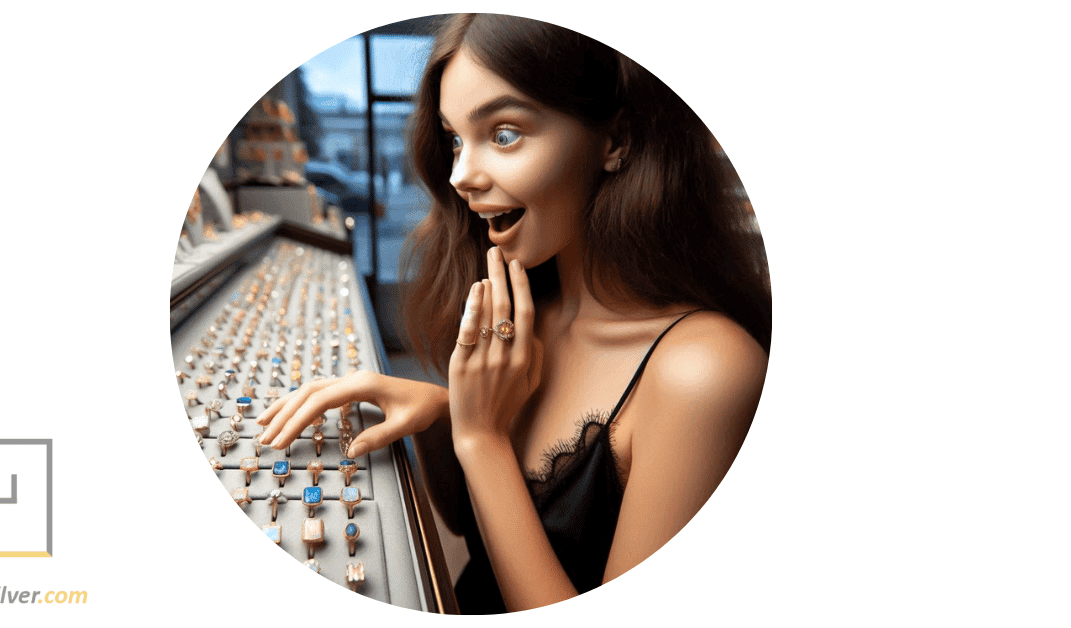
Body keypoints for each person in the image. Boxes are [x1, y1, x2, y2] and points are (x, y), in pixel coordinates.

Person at [256, 13, 771, 613]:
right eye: (453, 139)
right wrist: (444, 416)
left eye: (503, 134)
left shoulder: (705, 371)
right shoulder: (526, 303)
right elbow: (465, 522)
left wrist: (479, 436)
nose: (460, 176)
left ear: (617, 140)